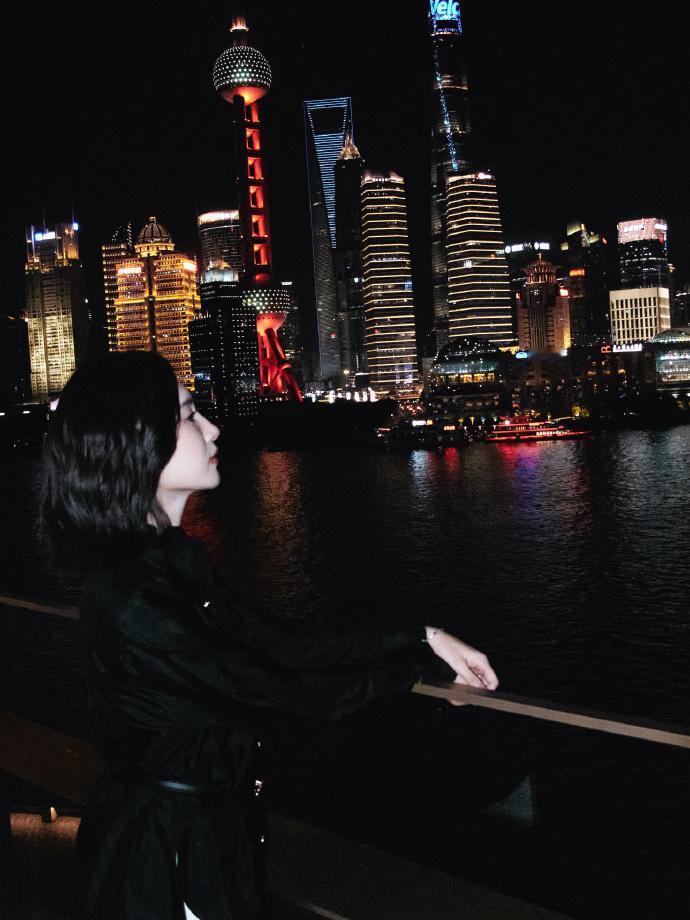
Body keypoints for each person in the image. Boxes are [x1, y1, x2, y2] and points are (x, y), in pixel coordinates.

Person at [42, 351, 499, 920]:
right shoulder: (133, 596)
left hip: (205, 832)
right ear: (137, 442)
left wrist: (423, 636)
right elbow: (273, 689)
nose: (213, 428)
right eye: (189, 415)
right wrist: (415, 671)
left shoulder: (167, 566)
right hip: (167, 857)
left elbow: (280, 644)